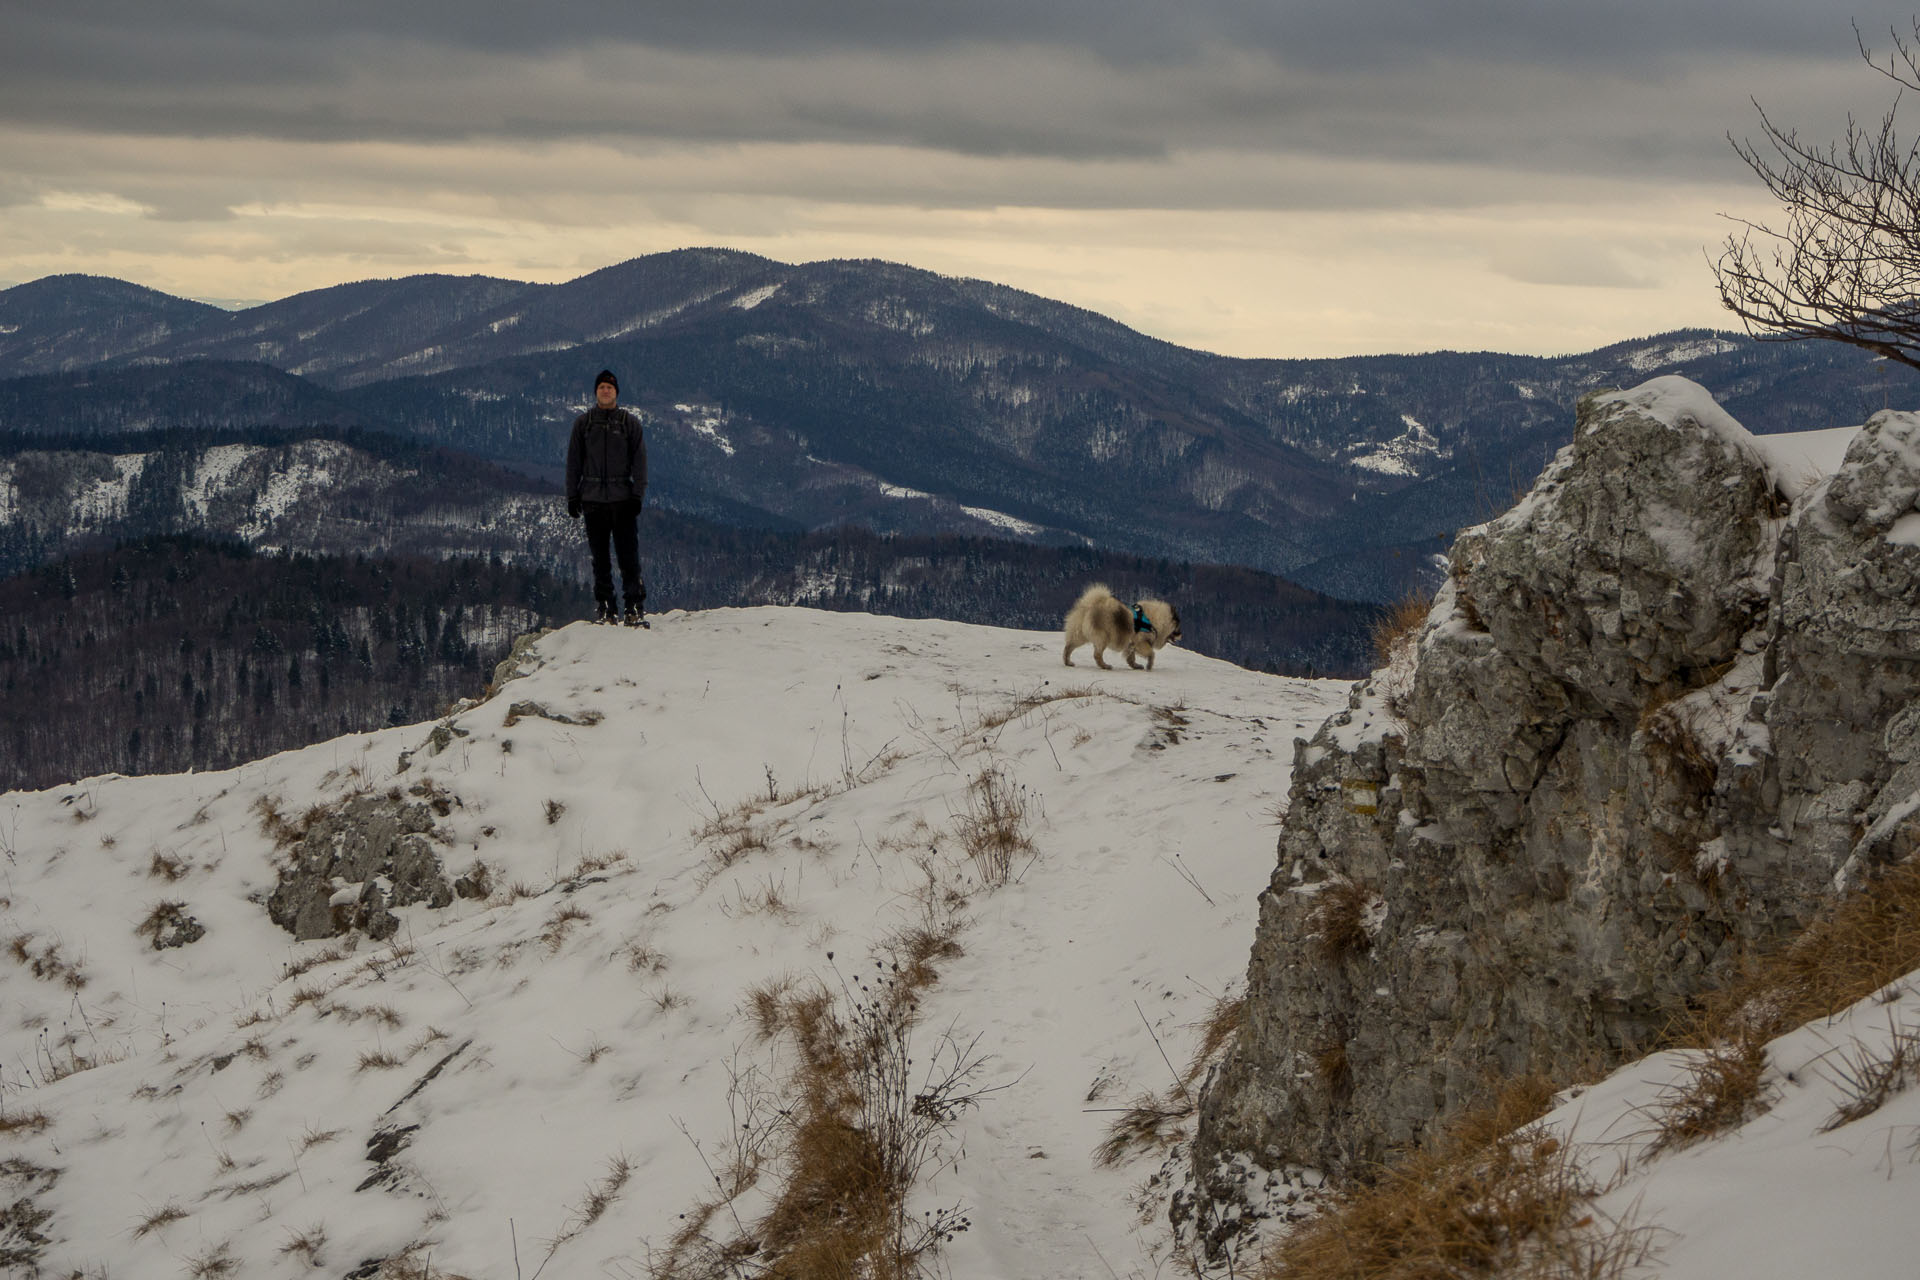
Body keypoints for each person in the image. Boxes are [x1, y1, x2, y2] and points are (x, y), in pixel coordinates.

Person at [565, 369, 648, 627]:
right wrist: (572, 496)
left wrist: (637, 495)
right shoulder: (583, 423)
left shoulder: (629, 423)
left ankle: (633, 606)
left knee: (628, 558)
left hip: (622, 500)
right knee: (600, 559)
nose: (605, 391)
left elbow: (640, 462)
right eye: (601, 387)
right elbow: (573, 463)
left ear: (616, 392)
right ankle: (605, 608)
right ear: (595, 392)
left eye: (609, 387)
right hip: (592, 501)